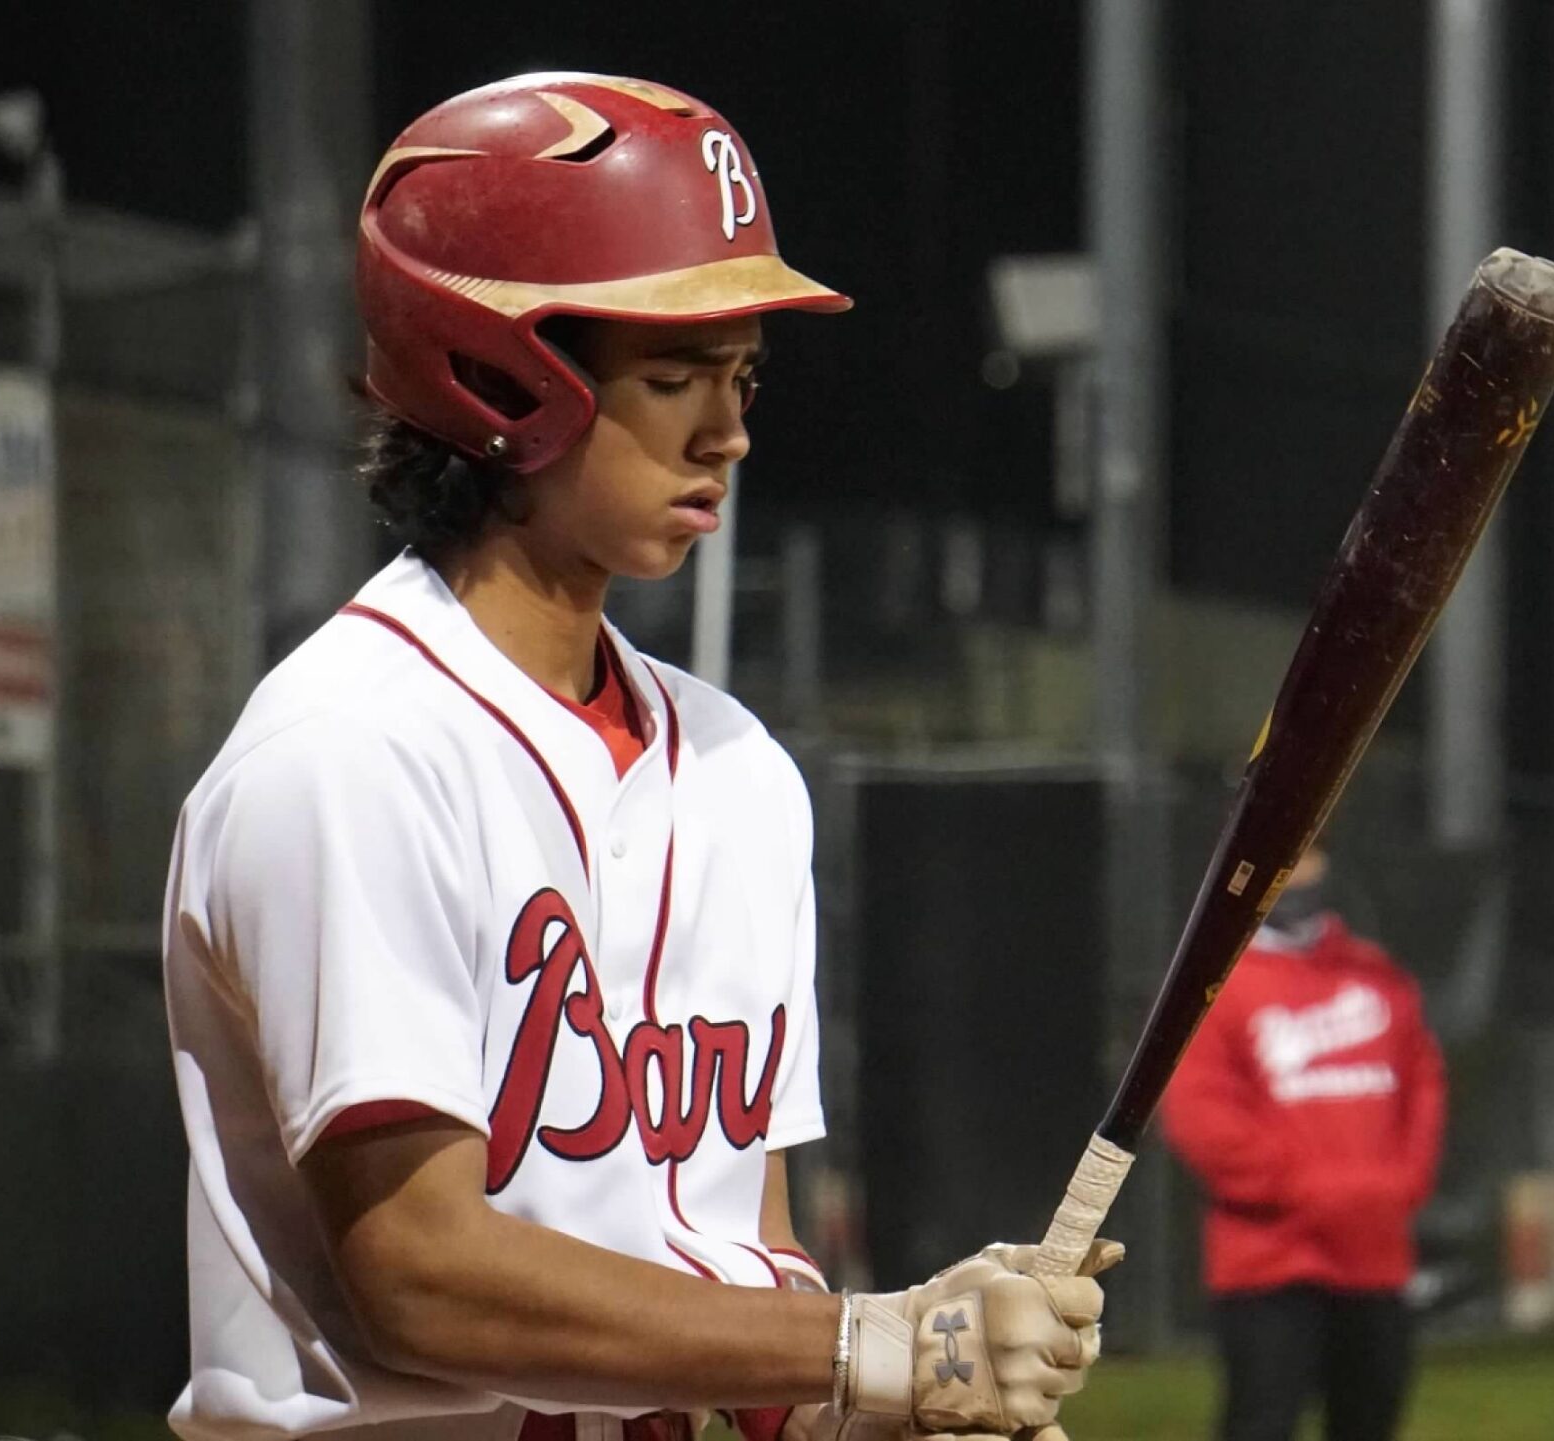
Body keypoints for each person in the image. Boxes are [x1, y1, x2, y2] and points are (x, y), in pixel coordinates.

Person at [161, 72, 1114, 1441]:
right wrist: (870, 1345)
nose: (728, 431)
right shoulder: (350, 754)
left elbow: (742, 1262)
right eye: (673, 377)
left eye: (741, 376)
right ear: (500, 376)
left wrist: (888, 1402)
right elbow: (419, 1275)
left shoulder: (739, 770)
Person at [1155, 849, 1445, 1441]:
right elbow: (1201, 1116)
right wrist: (1311, 1189)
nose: (1299, 878)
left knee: (1370, 1419)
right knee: (1262, 1421)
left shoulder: (1375, 976)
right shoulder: (1214, 985)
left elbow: (1423, 1086)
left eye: (1310, 857)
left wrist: (1399, 1183)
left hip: (1373, 1254)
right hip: (1269, 1259)